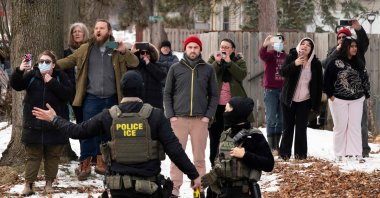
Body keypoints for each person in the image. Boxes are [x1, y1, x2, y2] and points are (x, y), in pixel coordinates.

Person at [32, 71, 201, 198]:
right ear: (141, 90)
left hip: (118, 190)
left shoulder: (109, 115)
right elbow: (175, 150)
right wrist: (194, 175)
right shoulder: (155, 116)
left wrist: (54, 119)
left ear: (122, 89)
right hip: (149, 189)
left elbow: (78, 131)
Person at [57, 19, 139, 181]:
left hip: (112, 98)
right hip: (91, 98)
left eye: (102, 28)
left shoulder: (114, 47)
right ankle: (85, 163)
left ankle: (102, 160)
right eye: (96, 28)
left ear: (109, 31)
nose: (98, 31)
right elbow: (68, 61)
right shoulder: (87, 48)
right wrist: (48, 65)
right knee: (86, 130)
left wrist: (125, 52)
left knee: (108, 130)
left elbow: (134, 63)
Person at [10, 50, 74, 195]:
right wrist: (20, 70)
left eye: (47, 62)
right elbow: (16, 85)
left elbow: (68, 94)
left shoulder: (60, 76)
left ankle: (49, 183)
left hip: (55, 124)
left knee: (53, 157)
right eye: (41, 62)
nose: (43, 64)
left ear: (53, 65)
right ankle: (28, 184)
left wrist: (51, 82)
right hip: (33, 124)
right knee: (33, 156)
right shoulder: (32, 75)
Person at [163, 35, 219, 197]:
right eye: (190, 47)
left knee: (199, 157)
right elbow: (167, 93)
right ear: (185, 49)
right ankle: (175, 188)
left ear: (200, 49)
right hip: (178, 119)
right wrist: (171, 115)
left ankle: (198, 189)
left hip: (199, 120)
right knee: (176, 156)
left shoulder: (208, 69)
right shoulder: (175, 68)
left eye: (196, 47)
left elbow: (214, 95)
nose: (193, 50)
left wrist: (208, 116)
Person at [201, 97, 274, 198]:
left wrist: (245, 155)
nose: (224, 113)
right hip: (221, 190)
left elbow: (269, 164)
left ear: (237, 113)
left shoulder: (254, 136)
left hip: (243, 191)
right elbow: (219, 164)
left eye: (227, 110)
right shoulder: (225, 135)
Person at [322, 20, 370, 158]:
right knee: (341, 126)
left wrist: (358, 29)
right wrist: (331, 95)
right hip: (339, 98)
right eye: (339, 38)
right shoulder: (334, 53)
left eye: (345, 37)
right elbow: (326, 68)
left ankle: (360, 151)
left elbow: (364, 42)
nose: (342, 40)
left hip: (357, 97)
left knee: (358, 125)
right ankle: (340, 154)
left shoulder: (358, 55)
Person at [279, 37, 323, 160]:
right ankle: (284, 155)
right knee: (288, 127)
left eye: (308, 45)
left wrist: (316, 105)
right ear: (299, 45)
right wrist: (295, 63)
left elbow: (319, 85)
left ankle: (300, 155)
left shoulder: (316, 63)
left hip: (305, 100)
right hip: (288, 99)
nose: (305, 46)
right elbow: (282, 72)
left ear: (311, 49)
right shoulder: (292, 56)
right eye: (303, 43)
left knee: (301, 128)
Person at [259, 33, 287, 153]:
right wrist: (264, 45)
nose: (278, 43)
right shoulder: (270, 55)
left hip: (283, 90)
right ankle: (271, 147)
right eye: (275, 41)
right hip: (270, 90)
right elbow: (262, 55)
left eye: (280, 41)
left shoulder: (286, 56)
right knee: (271, 118)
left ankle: (277, 146)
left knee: (281, 119)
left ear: (284, 43)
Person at [63, 22, 90, 123]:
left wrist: (116, 44)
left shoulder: (91, 49)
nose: (77, 34)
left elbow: (108, 45)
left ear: (84, 34)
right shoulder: (66, 53)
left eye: (80, 31)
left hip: (90, 93)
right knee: (80, 122)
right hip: (74, 95)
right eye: (74, 32)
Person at [132, 43, 166, 109]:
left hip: (155, 103)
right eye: (142, 53)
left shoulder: (158, 66)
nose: (145, 55)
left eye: (147, 53)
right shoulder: (135, 67)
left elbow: (161, 76)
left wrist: (148, 64)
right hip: (140, 103)